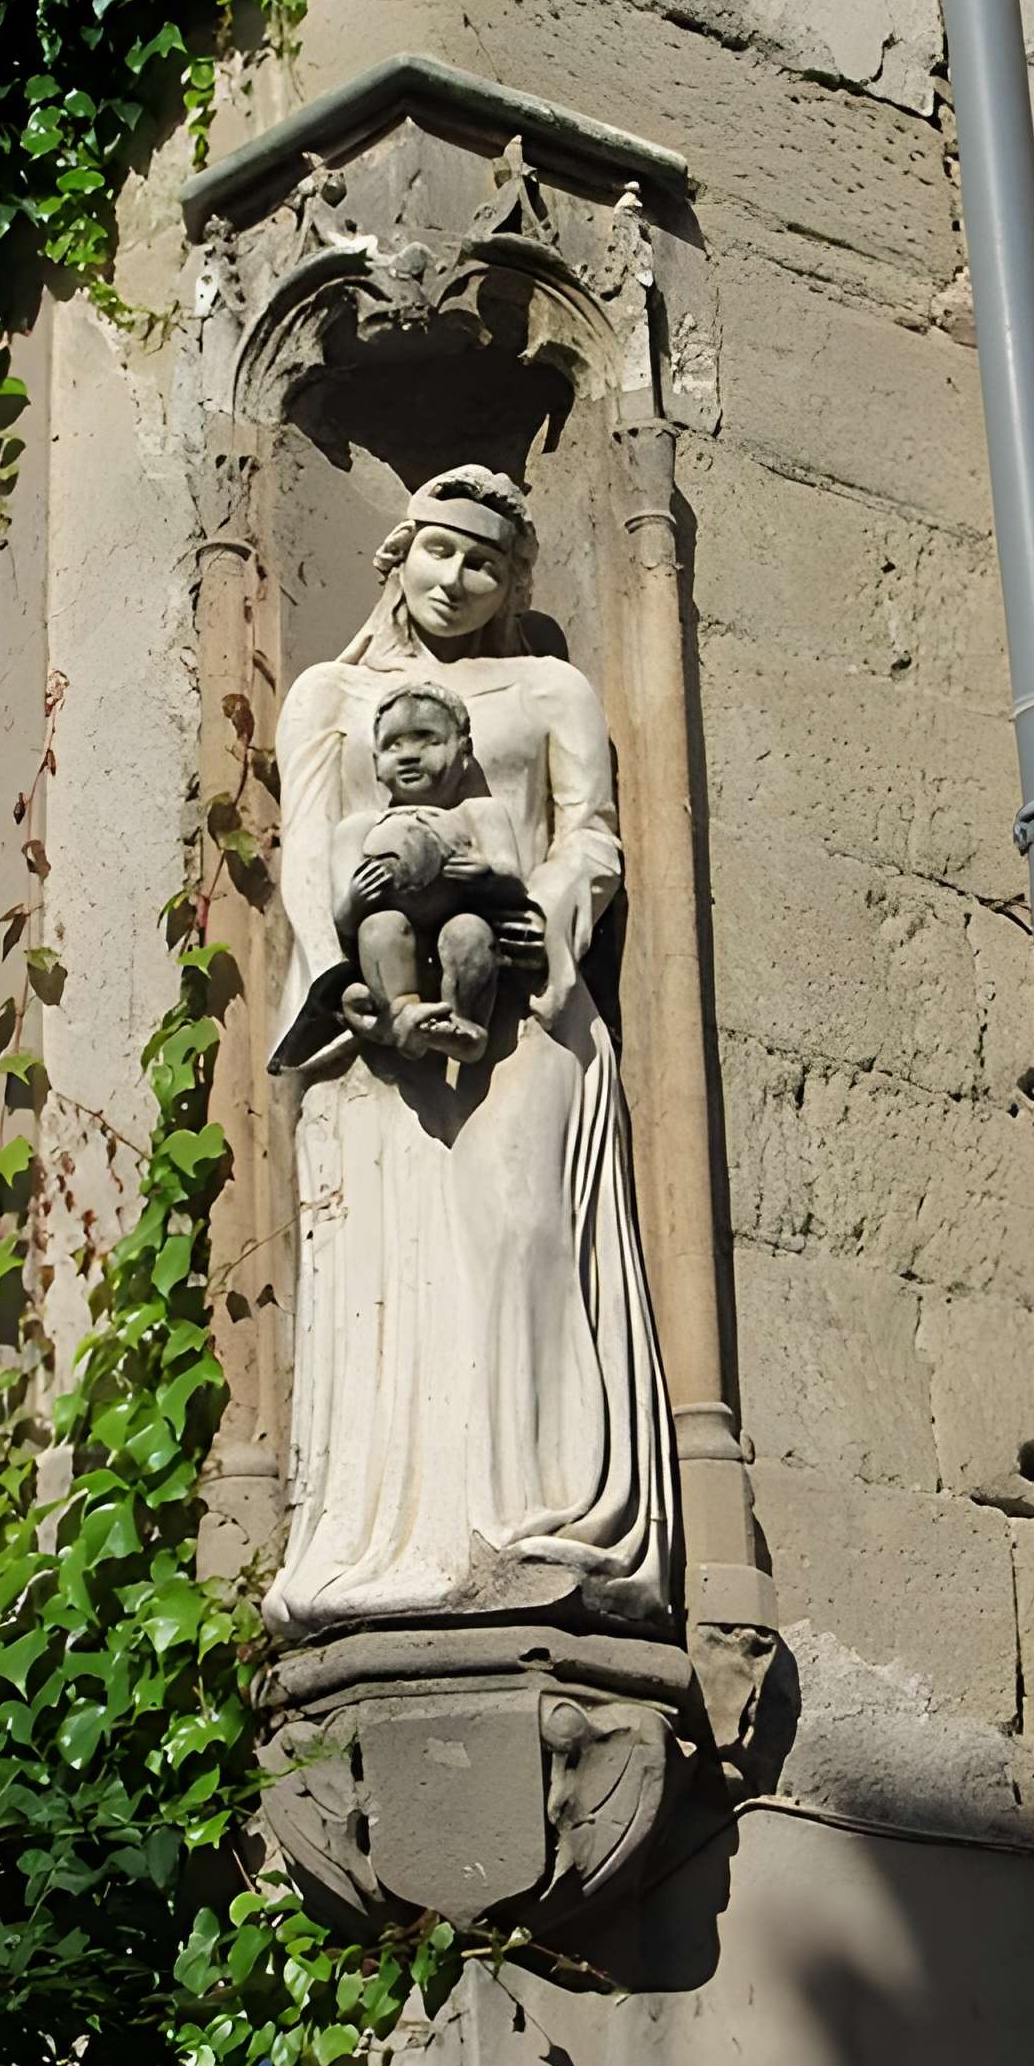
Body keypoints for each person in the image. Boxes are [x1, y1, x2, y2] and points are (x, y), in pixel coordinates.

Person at [265, 465, 675, 1641]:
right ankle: (381, 1541)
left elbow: (589, 836)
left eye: (486, 562)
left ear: (512, 582)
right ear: (400, 553)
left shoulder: (550, 687)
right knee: (391, 1279)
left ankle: (536, 1516)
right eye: (442, 552)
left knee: (517, 1229)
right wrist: (341, 974)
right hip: (372, 1035)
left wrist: (538, 912)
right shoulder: (329, 696)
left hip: (520, 1002)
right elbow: (304, 853)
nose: (460, 580)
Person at [332, 680, 528, 1064]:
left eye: (427, 740)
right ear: (375, 764)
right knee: (380, 927)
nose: (409, 755)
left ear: (463, 751)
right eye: (393, 745)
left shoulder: (479, 813)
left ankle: (465, 1024)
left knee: (469, 931)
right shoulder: (357, 830)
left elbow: (514, 882)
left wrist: (487, 874)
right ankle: (404, 1015)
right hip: (395, 943)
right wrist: (356, 899)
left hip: (456, 933)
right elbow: (343, 920)